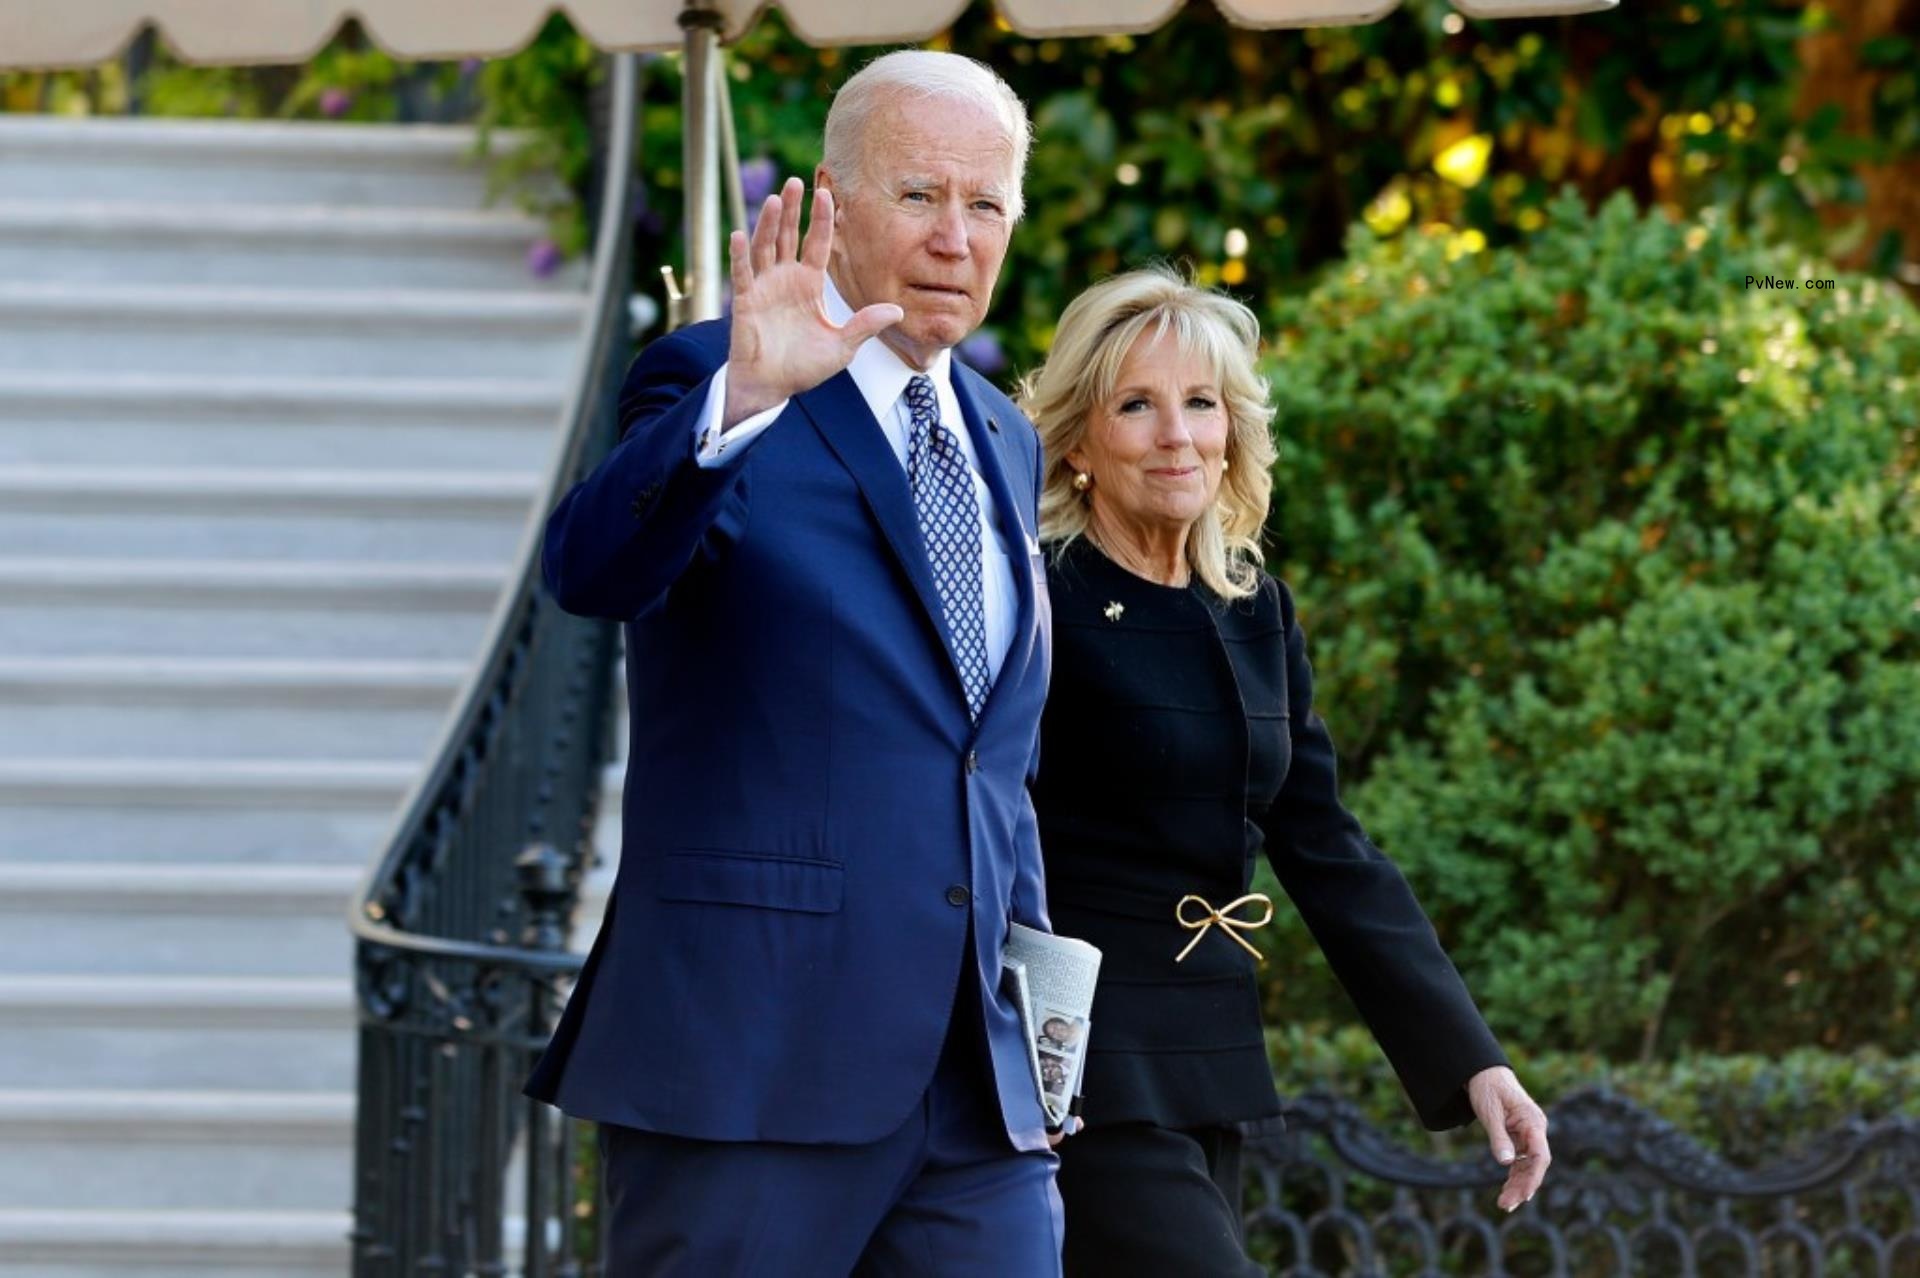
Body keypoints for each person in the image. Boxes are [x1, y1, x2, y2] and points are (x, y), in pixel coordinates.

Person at [525, 51, 1064, 1276]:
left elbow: (986, 757)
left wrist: (1039, 1006)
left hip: (977, 1096)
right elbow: (592, 573)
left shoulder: (1005, 439)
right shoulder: (717, 379)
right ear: (836, 200)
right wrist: (744, 392)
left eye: (986, 206)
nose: (955, 237)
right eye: (921, 195)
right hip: (750, 1067)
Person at [1019, 268, 1552, 1275]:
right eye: (1137, 404)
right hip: (1077, 1065)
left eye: (1200, 402)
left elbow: (1327, 846)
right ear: (1080, 441)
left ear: (1232, 429)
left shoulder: (1254, 607)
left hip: (1211, 1059)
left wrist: (1472, 1060)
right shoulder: (1042, 601)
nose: (1176, 433)